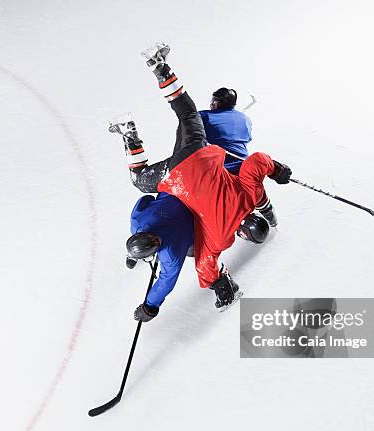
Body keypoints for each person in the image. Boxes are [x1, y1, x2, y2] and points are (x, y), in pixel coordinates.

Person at [110, 42, 292, 310]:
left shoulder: (246, 198)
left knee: (187, 114)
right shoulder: (213, 239)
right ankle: (129, 133)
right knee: (140, 180)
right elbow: (200, 265)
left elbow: (255, 163)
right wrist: (220, 285)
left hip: (200, 157)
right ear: (242, 232)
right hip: (176, 178)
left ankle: (160, 66)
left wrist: (277, 170)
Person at [199, 88, 279, 227]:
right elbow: (246, 138)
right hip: (245, 169)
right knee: (254, 190)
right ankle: (269, 215)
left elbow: (191, 129)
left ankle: (241, 225)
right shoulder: (245, 119)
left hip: (222, 175)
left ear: (217, 103)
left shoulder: (204, 116)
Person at [126, 192, 194, 322]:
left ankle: (135, 252)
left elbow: (166, 283)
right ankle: (135, 251)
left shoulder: (171, 254)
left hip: (193, 216)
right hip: (179, 192)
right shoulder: (137, 220)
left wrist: (150, 306)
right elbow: (147, 199)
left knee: (193, 250)